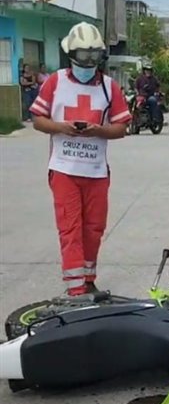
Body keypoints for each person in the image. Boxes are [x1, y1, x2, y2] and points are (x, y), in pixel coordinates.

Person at [29, 22, 131, 297]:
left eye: (93, 57)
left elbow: (122, 127)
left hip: (97, 172)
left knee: (94, 228)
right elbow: (38, 119)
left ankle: (88, 279)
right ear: (71, 55)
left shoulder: (110, 87)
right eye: (83, 57)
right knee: (70, 227)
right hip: (64, 169)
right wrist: (61, 127)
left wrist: (99, 130)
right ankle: (75, 289)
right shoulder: (55, 82)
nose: (88, 63)